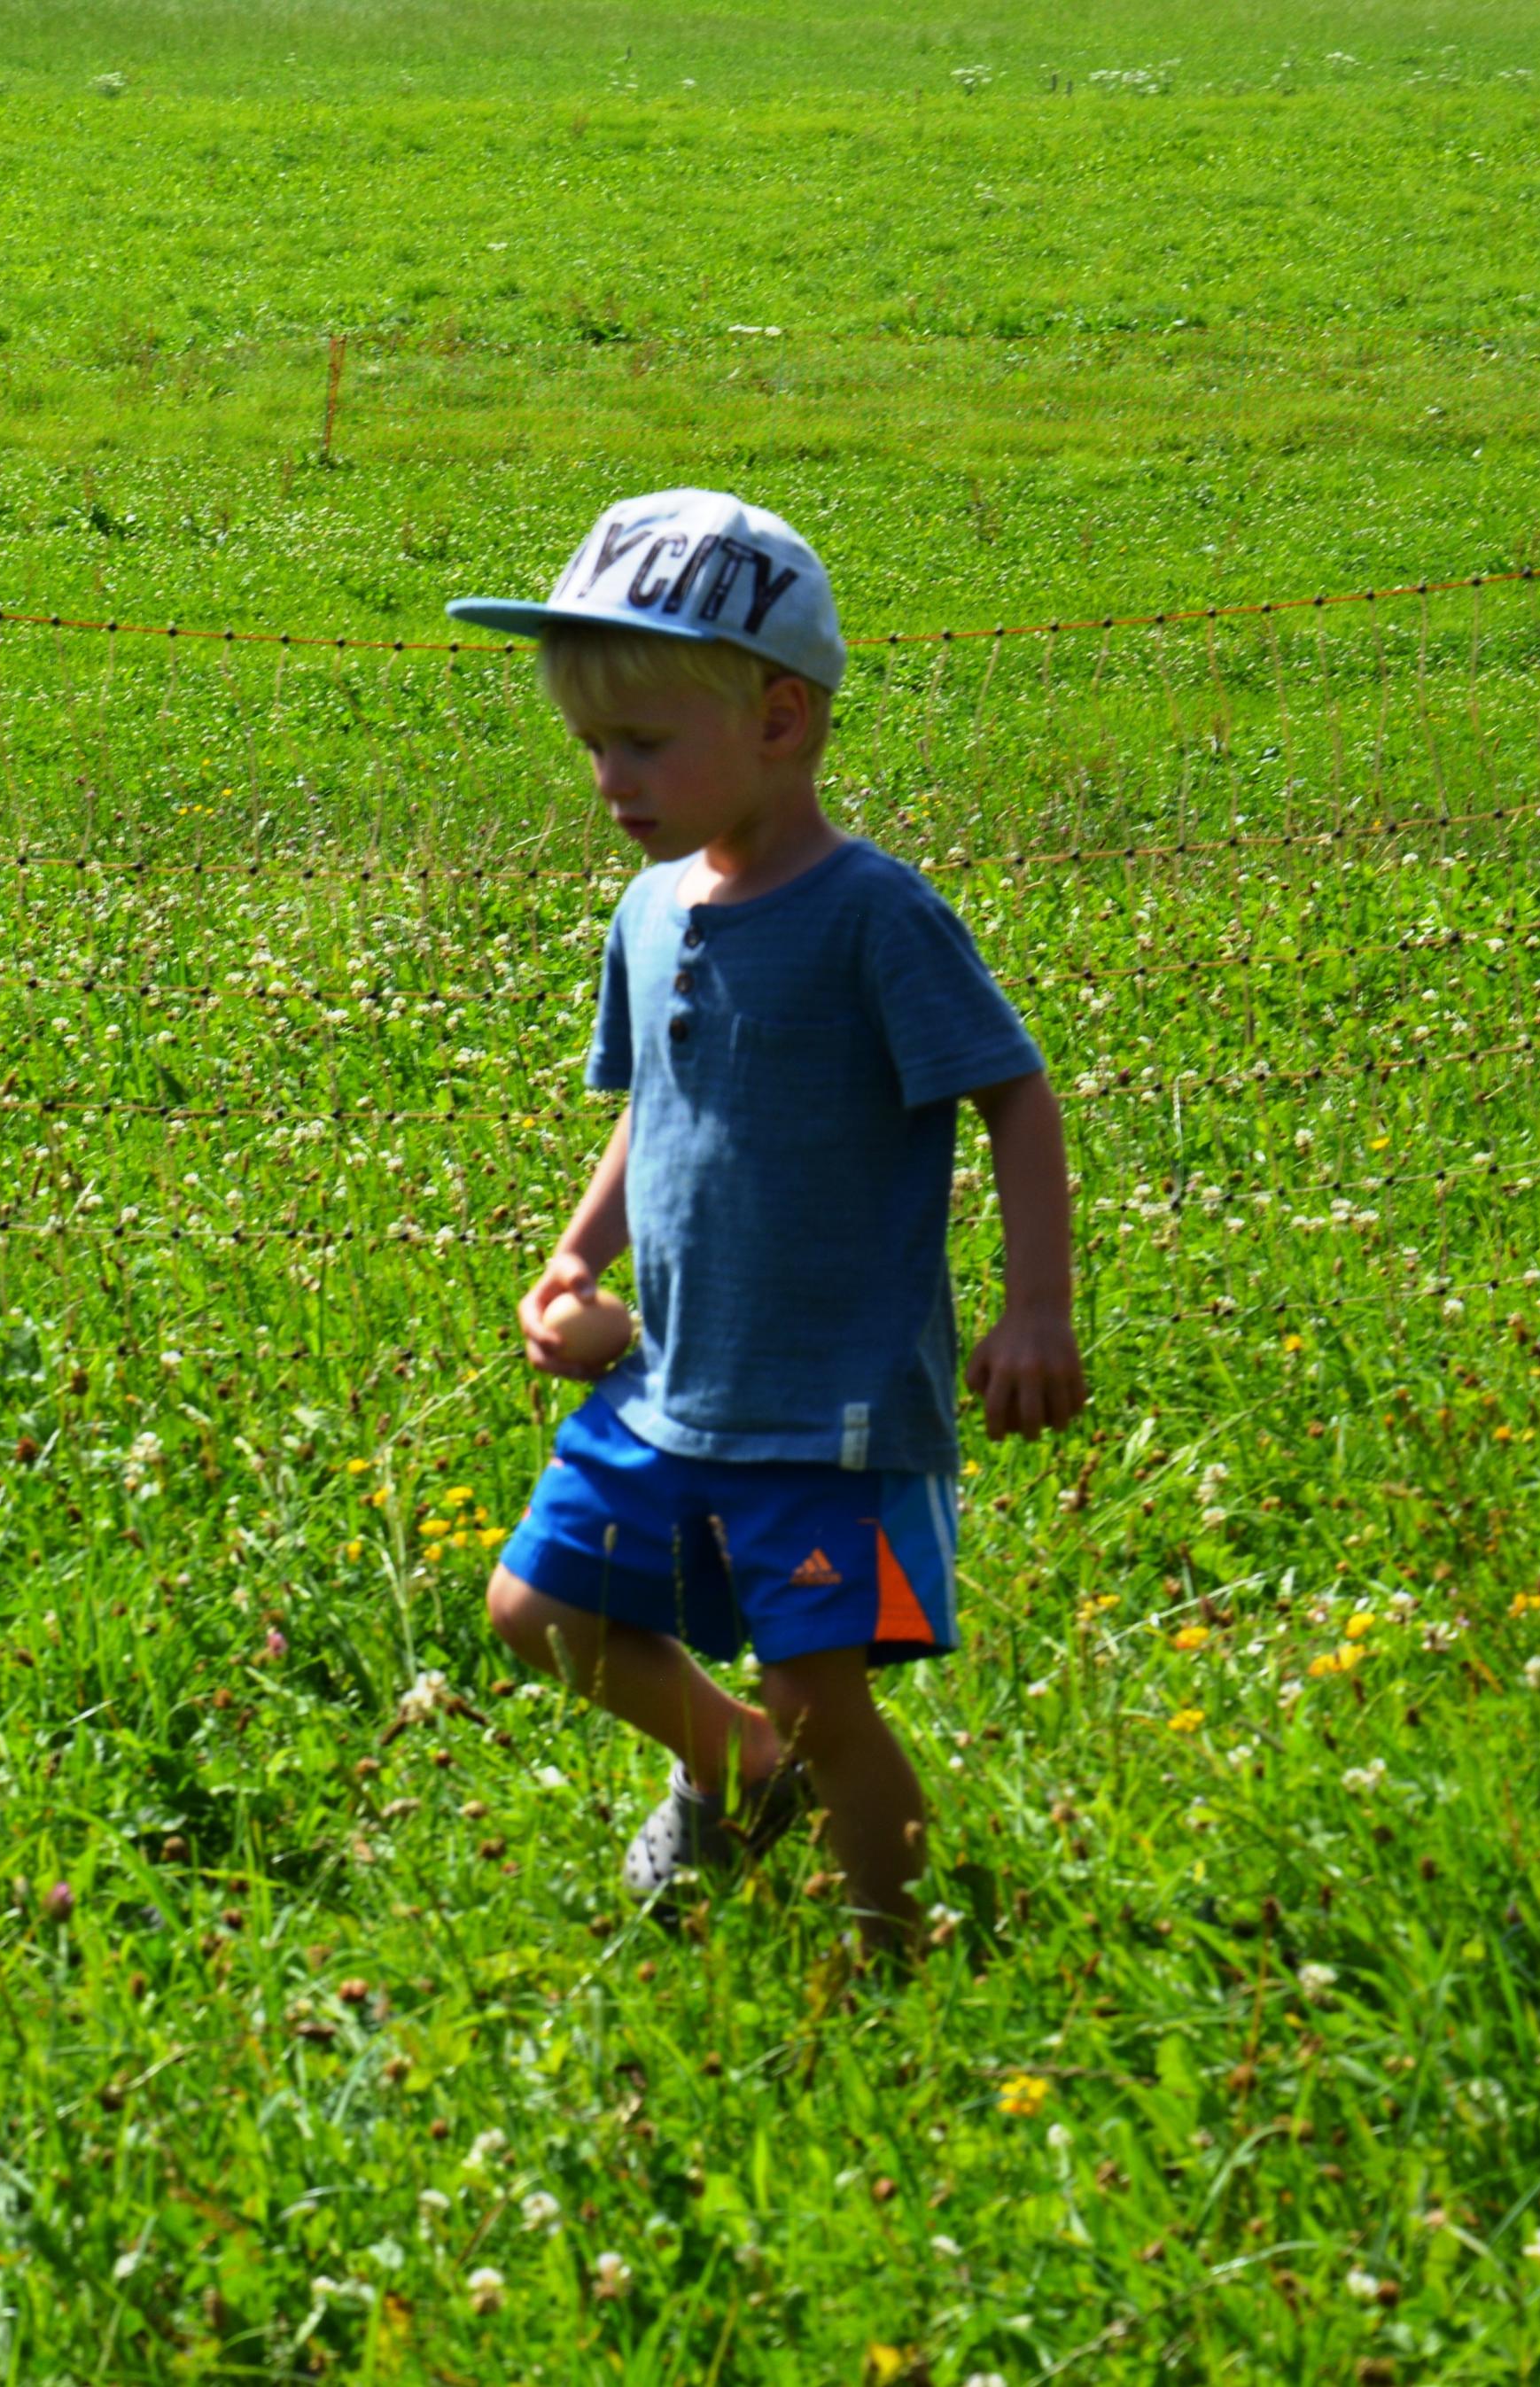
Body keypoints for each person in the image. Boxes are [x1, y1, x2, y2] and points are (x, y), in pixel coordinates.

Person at [444, 494, 1086, 1953]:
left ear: (780, 719)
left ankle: (894, 1942)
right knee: (538, 1609)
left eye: (642, 741)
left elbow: (1013, 1093)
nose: (610, 779)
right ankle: (735, 1764)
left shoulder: (872, 914)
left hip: (829, 1412)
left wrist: (1035, 1306)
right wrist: (577, 1252)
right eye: (591, 746)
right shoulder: (647, 908)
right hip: (671, 1383)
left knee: (818, 1693)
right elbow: (657, 1103)